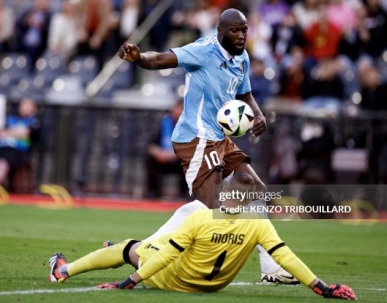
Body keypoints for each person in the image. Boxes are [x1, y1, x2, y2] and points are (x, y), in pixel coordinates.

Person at [118, 8, 293, 284]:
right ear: (220, 31)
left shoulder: (243, 58)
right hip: (196, 137)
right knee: (206, 211)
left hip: (220, 138)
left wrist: (257, 114)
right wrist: (139, 57)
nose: (241, 35)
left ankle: (271, 268)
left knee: (252, 186)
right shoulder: (203, 50)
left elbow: (245, 93)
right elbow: (161, 59)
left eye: (244, 30)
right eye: (235, 30)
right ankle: (136, 250)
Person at [47, 173, 357, 300]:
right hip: (213, 286)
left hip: (178, 279)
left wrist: (126, 283)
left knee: (131, 248)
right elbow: (285, 256)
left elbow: (168, 257)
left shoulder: (202, 217)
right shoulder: (258, 223)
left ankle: (62, 270)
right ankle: (118, 251)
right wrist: (324, 288)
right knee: (162, 244)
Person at [0, 98, 40, 188]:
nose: (24, 108)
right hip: (3, 148)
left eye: (28, 105)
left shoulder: (34, 121)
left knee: (5, 161)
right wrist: (16, 132)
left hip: (20, 152)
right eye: (23, 105)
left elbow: (26, 134)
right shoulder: (12, 118)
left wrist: (9, 132)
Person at [146, 100, 187, 198]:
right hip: (162, 160)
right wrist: (159, 153)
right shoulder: (162, 123)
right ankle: (153, 193)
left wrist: (171, 155)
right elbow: (150, 145)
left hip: (178, 161)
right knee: (149, 159)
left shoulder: (189, 127)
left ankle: (183, 194)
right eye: (178, 108)